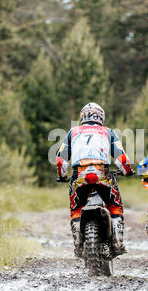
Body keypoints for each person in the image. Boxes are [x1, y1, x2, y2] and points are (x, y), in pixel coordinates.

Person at [56, 102, 134, 258]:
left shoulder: (73, 132)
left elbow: (60, 159)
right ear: (101, 117)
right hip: (102, 174)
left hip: (79, 176)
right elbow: (122, 158)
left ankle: (78, 244)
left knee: (76, 208)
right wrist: (127, 171)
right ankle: (117, 243)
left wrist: (62, 175)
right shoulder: (108, 132)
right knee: (115, 205)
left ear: (82, 117)